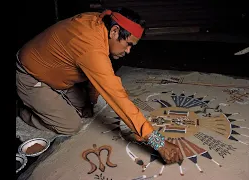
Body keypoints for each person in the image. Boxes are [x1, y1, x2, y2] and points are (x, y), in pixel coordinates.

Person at [16, 7, 183, 164]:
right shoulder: (90, 45)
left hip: (60, 76)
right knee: (70, 125)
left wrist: (92, 98)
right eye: (129, 44)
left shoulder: (101, 23)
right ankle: (26, 112)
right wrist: (158, 142)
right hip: (30, 74)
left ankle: (54, 97)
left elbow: (95, 71)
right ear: (115, 31)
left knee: (87, 110)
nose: (128, 51)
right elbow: (116, 96)